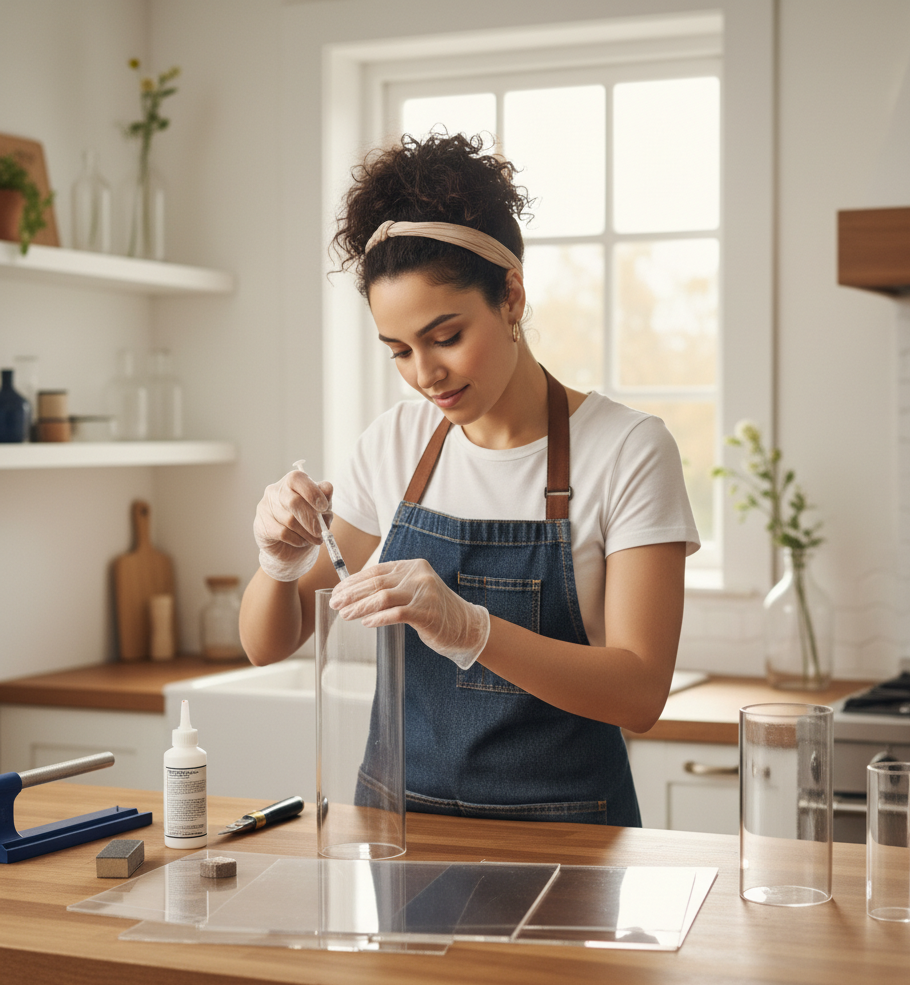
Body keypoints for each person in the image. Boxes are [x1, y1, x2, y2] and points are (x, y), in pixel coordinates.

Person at [240, 133, 700, 827]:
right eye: (399, 350)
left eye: (445, 336)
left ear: (511, 296)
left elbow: (639, 694)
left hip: (570, 842)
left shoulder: (628, 450)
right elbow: (267, 643)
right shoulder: (395, 444)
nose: (425, 374)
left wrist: (471, 628)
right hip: (401, 834)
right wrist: (278, 563)